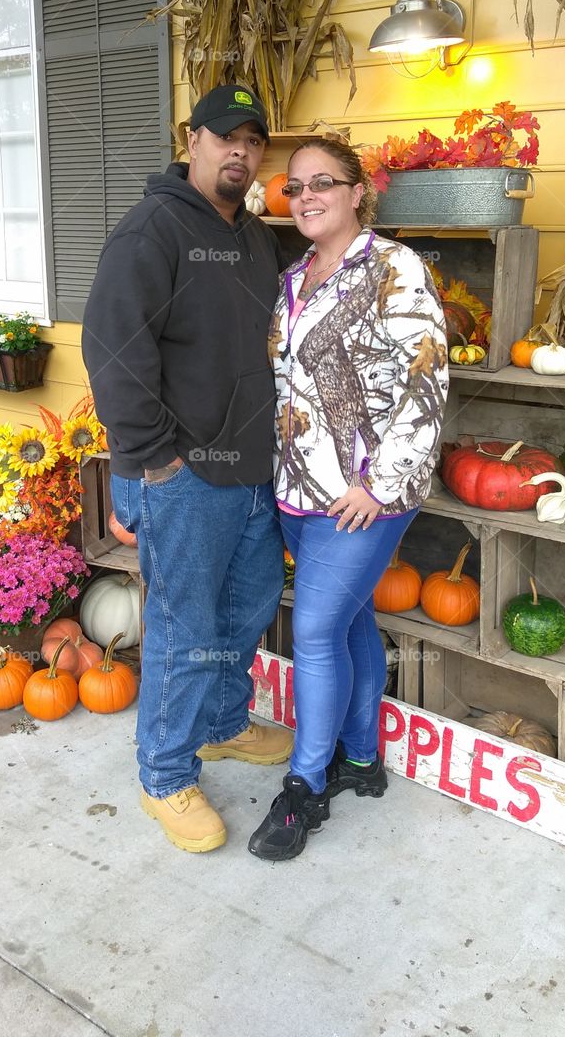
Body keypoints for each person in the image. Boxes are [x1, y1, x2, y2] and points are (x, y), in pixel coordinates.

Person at [82, 85, 293, 854]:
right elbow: (111, 350)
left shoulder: (254, 237)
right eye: (224, 136)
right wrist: (155, 463)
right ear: (192, 139)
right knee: (183, 624)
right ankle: (164, 775)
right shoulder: (152, 231)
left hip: (249, 469)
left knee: (246, 608)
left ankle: (220, 726)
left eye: (252, 141)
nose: (239, 150)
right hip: (183, 476)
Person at [248, 138, 449, 861]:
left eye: (321, 183)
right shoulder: (295, 276)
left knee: (311, 633)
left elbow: (424, 383)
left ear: (357, 192)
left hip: (363, 498)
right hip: (299, 489)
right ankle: (361, 758)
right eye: (294, 185)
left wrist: (380, 483)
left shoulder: (395, 269)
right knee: (349, 621)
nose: (304, 197)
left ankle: (304, 789)